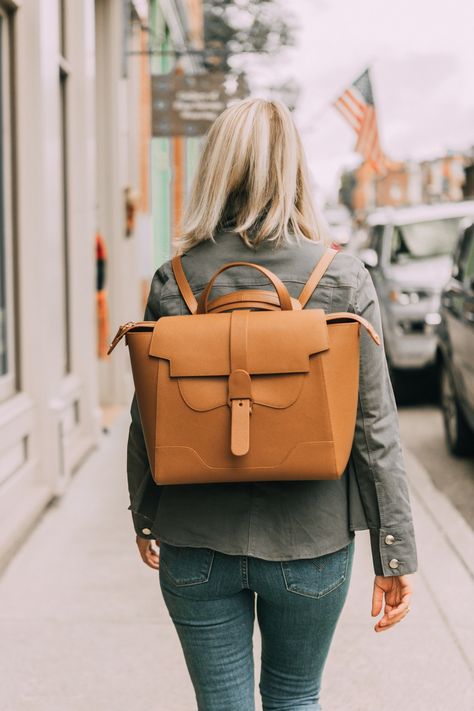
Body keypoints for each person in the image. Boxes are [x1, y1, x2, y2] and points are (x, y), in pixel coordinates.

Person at [126, 98, 418, 711]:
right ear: (294, 171)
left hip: (196, 538)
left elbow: (147, 420)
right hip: (311, 541)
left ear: (215, 170)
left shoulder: (171, 281)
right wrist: (393, 550)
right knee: (294, 697)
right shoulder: (342, 277)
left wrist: (146, 513)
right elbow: (374, 428)